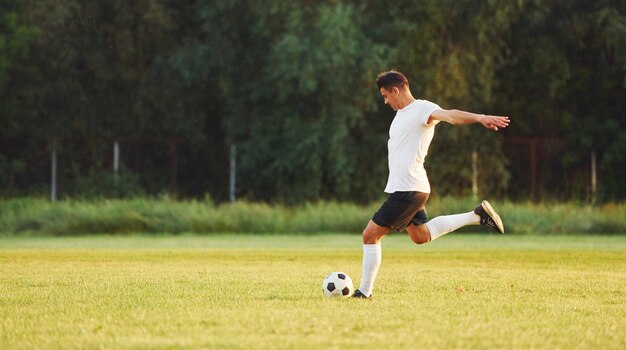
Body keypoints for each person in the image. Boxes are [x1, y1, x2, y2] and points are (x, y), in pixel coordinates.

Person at [352, 70, 510, 299]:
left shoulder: (423, 109)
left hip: (409, 190)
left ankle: (364, 293)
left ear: (396, 90)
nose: (386, 101)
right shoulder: (400, 115)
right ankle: (477, 216)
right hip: (409, 187)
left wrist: (480, 117)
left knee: (370, 235)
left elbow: (451, 115)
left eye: (386, 96)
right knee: (420, 236)